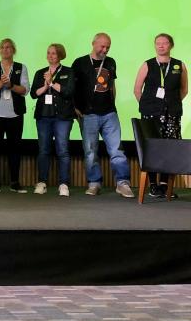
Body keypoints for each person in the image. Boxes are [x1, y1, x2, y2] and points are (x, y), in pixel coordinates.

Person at [71, 33, 134, 198]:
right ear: (93, 44)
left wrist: (113, 105)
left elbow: (112, 85)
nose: (105, 50)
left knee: (117, 149)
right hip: (88, 114)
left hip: (109, 113)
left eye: (108, 47)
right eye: (102, 46)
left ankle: (123, 183)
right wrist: (75, 108)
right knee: (90, 152)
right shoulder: (80, 62)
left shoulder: (111, 62)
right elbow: (72, 88)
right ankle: (94, 183)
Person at [133, 33, 188, 198]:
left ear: (171, 45)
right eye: (158, 43)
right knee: (152, 148)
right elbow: (137, 89)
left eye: (165, 43)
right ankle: (152, 185)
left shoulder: (179, 65)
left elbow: (184, 90)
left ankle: (164, 185)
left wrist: (170, 103)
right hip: (151, 114)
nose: (161, 46)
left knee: (169, 148)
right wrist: (148, 106)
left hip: (172, 114)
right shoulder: (147, 64)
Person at [0, 38, 30, 193]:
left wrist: (10, 85)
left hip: (15, 114)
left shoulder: (21, 67)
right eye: (3, 47)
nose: (5, 50)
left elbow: (25, 90)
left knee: (15, 148)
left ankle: (15, 182)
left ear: (13, 50)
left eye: (9, 47)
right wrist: (0, 84)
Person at [30, 43, 75, 196]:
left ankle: (63, 184)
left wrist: (52, 83)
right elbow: (33, 94)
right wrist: (45, 85)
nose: (50, 56)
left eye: (54, 53)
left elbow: (69, 92)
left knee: (62, 150)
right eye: (48, 53)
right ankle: (42, 182)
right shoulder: (40, 72)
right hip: (43, 116)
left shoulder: (68, 72)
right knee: (43, 150)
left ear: (60, 55)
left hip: (63, 117)